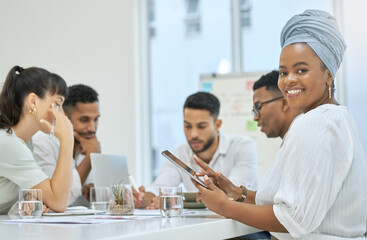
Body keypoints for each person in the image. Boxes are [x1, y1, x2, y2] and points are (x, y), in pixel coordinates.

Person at [192, 9, 367, 239]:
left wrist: (224, 206)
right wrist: (236, 192)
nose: (289, 80)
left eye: (301, 70)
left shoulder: (314, 124)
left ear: (328, 75)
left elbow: (292, 218)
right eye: (284, 72)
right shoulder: (336, 117)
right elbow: (294, 201)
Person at [135, 91, 258, 209]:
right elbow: (160, 187)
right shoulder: (179, 153)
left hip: (243, 227)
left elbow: (232, 191)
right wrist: (143, 198)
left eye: (201, 126)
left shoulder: (243, 146)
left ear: (217, 125)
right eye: (187, 126)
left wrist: (173, 198)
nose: (193, 134)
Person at [0, 66, 74, 215]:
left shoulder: (24, 142)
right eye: (58, 104)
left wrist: (33, 199)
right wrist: (67, 138)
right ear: (33, 101)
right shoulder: (7, 144)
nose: (62, 114)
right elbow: (59, 201)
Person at [33, 84, 100, 205]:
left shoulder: (89, 144)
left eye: (96, 119)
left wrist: (96, 194)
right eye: (84, 120)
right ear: (64, 117)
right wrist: (90, 158)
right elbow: (54, 201)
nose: (92, 128)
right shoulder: (41, 144)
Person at [252, 70, 300, 139]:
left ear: (284, 104)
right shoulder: (291, 141)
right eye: (254, 111)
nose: (255, 118)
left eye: (259, 107)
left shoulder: (307, 138)